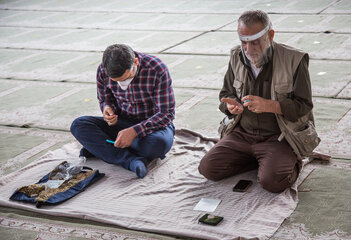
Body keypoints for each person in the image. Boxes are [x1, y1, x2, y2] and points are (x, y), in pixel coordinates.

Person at [198, 10, 320, 193]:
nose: (248, 49)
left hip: (278, 137)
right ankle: (260, 160)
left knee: (272, 182)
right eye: (244, 42)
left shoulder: (294, 59)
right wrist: (231, 106)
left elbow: (304, 105)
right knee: (208, 169)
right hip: (242, 134)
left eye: (255, 42)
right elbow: (226, 93)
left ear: (270, 35)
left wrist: (272, 106)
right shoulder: (236, 56)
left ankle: (290, 161)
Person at [71, 44, 175, 178]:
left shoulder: (156, 69)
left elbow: (166, 114)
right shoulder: (103, 70)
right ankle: (131, 161)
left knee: (158, 145)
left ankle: (104, 149)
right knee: (78, 125)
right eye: (117, 81)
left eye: (126, 79)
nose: (123, 85)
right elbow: (105, 99)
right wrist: (107, 109)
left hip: (152, 128)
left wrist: (134, 131)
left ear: (135, 62)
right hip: (120, 124)